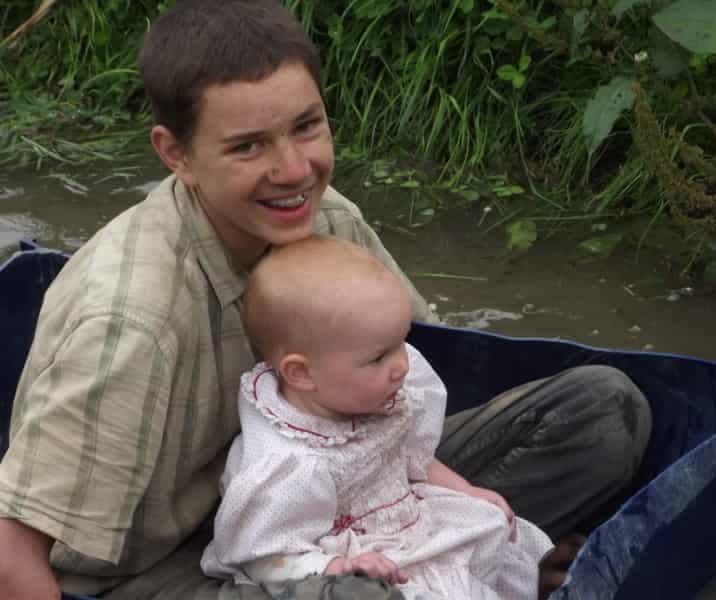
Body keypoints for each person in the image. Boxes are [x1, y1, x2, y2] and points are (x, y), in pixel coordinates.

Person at [0, 1, 651, 599]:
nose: (293, 169)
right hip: (171, 567)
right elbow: (11, 550)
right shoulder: (130, 317)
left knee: (601, 411)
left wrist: (454, 493)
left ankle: (460, 565)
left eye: (306, 127)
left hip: (335, 489)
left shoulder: (319, 214)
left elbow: (399, 371)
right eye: (248, 145)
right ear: (178, 154)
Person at [201, 235, 555, 599]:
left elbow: (410, 458)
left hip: (407, 519)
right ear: (302, 374)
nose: (401, 365)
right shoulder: (290, 464)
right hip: (350, 559)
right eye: (378, 358)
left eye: (401, 341)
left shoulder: (367, 392)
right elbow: (263, 556)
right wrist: (333, 569)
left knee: (492, 527)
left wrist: (466, 490)